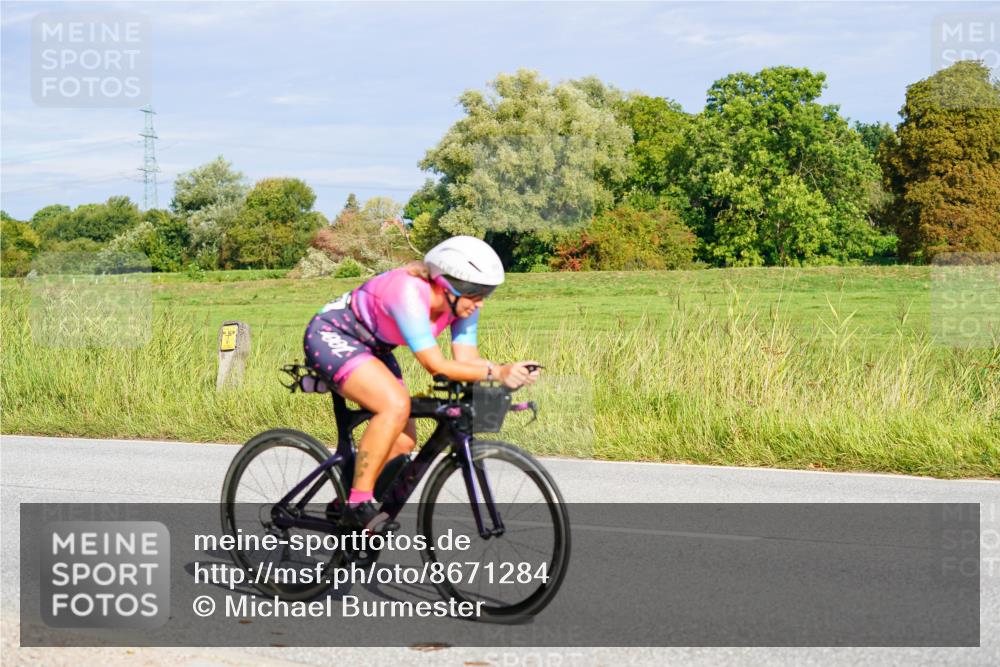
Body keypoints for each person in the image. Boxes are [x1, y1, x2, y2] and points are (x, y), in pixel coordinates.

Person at [303, 236, 541, 532]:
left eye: (486, 293)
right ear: (445, 283)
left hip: (374, 346)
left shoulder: (463, 306)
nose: (480, 301)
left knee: (403, 441)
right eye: (474, 292)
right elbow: (436, 366)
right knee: (394, 406)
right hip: (332, 335)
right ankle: (358, 504)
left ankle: (343, 508)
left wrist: (509, 373)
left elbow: (467, 360)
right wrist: (497, 372)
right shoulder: (407, 292)